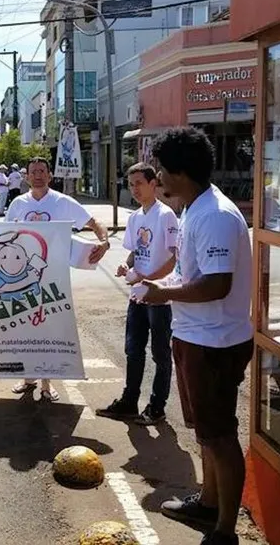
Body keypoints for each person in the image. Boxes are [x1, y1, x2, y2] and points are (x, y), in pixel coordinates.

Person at [138, 127, 253, 545]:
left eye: (161, 171)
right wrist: (155, 284)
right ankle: (208, 503)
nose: (158, 179)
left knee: (220, 434)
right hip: (195, 335)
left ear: (180, 173)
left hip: (215, 342)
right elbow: (194, 273)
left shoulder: (215, 215)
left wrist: (163, 293)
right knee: (206, 432)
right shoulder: (194, 208)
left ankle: (225, 531)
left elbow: (218, 284)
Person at [7, 157, 110, 401]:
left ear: (50, 175)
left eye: (42, 171)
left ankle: (46, 383)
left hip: (54, 278)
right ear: (27, 177)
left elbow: (95, 223)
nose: (38, 175)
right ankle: (27, 378)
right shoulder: (18, 204)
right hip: (23, 279)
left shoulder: (63, 202)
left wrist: (104, 243)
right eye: (33, 172)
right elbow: (4, 235)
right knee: (24, 327)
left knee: (49, 328)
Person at [96, 163, 179, 425]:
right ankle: (129, 401)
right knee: (134, 350)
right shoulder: (135, 218)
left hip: (160, 296)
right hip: (138, 295)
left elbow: (173, 259)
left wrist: (148, 279)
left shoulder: (165, 216)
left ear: (154, 183)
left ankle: (157, 406)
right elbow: (135, 252)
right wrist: (127, 265)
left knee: (160, 353)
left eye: (139, 183)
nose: (134, 189)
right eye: (130, 184)